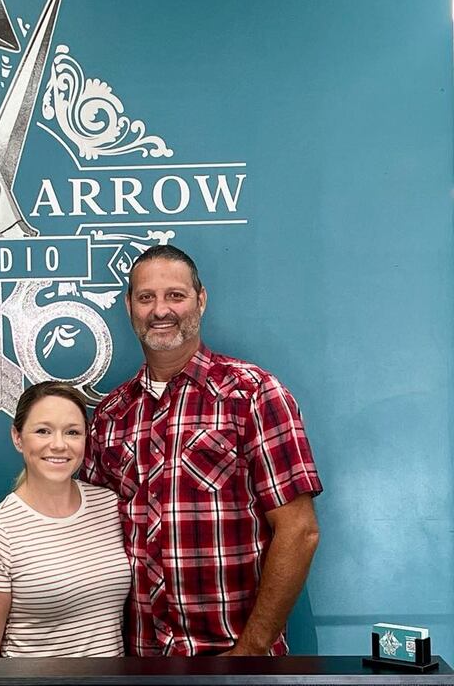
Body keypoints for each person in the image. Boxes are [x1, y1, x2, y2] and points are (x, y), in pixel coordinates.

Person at [82, 244, 322, 657]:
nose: (161, 310)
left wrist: (250, 652)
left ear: (201, 299)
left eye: (175, 295)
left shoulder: (253, 393)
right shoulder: (110, 414)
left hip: (234, 660)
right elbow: (89, 539)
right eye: (146, 297)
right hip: (139, 663)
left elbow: (299, 531)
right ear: (128, 307)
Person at [0, 381, 131, 657]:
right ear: (17, 437)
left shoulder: (109, 506)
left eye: (72, 432)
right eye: (43, 431)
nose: (59, 445)